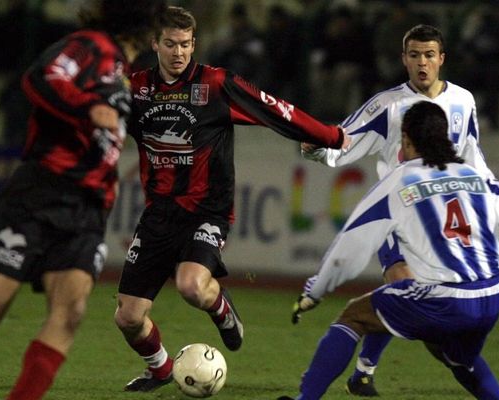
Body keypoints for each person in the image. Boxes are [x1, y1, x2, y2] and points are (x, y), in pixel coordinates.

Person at [114, 6, 347, 393]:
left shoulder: (216, 85)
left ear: (194, 44)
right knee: (128, 317)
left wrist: (329, 136)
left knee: (191, 286)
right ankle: (160, 369)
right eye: (170, 44)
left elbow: (278, 110)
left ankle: (221, 308)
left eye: (186, 45)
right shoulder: (136, 89)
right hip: (158, 213)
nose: (179, 53)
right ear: (154, 44)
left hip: (209, 209)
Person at [0, 1, 166, 399]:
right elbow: (41, 77)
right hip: (41, 194)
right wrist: (87, 106)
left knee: (71, 313)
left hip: (86, 212)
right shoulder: (91, 45)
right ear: (146, 27)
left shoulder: (125, 75)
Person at [279, 100, 499, 400]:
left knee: (354, 316)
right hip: (492, 297)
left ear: (406, 139)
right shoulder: (476, 177)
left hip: (446, 300)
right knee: (457, 358)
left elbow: (351, 244)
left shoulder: (400, 178)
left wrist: (315, 291)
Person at [301, 24, 499, 396]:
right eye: (414, 55)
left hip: (442, 224)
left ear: (441, 59)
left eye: (429, 55)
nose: (422, 63)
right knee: (406, 287)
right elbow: (342, 141)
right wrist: (315, 148)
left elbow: (473, 157)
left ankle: (362, 371)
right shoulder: (386, 106)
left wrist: (489, 203)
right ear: (403, 59)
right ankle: (360, 373)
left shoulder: (463, 101)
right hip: (399, 217)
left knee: (424, 313)